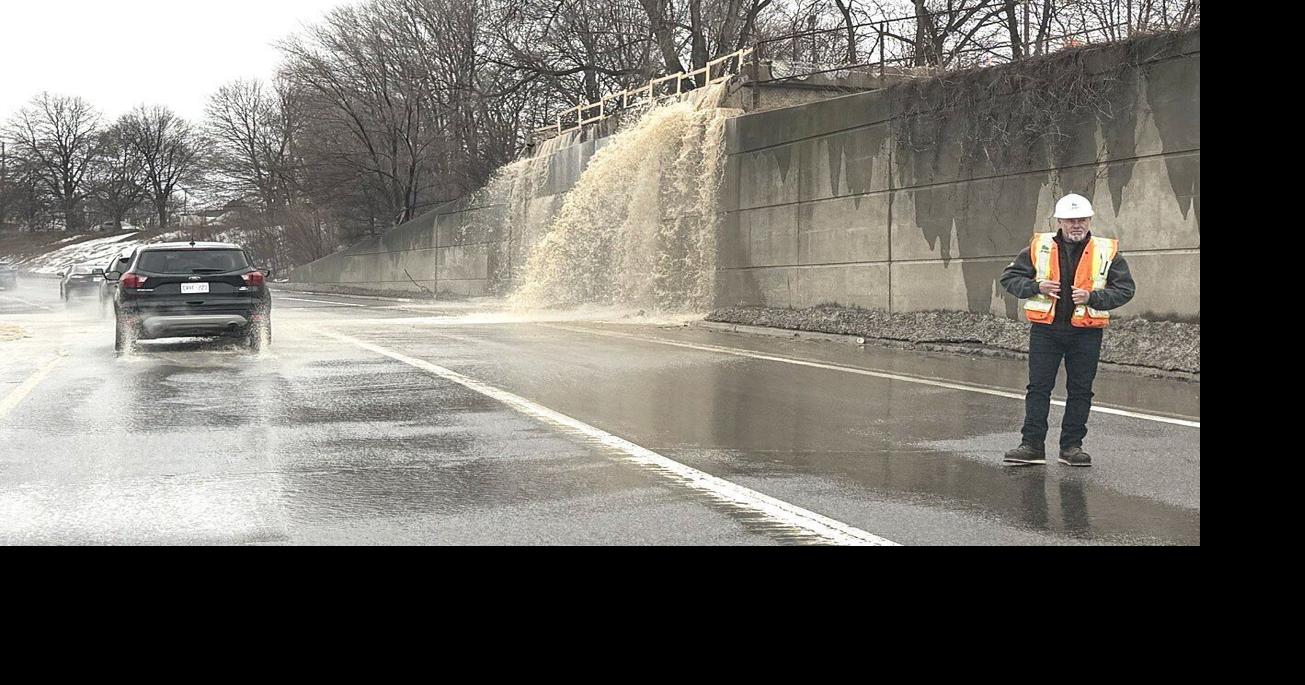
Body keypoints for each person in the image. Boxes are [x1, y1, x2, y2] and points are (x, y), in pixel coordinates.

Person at [998, 193, 1136, 467]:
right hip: (1046, 331)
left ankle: (1072, 447)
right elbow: (1009, 277)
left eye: (1082, 219)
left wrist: (1093, 298)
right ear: (1060, 221)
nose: (1077, 225)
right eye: (1071, 220)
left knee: (1081, 390)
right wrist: (1036, 287)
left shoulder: (1106, 251)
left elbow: (1125, 289)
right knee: (1038, 389)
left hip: (1086, 332)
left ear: (1089, 220)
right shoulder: (1039, 248)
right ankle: (1032, 446)